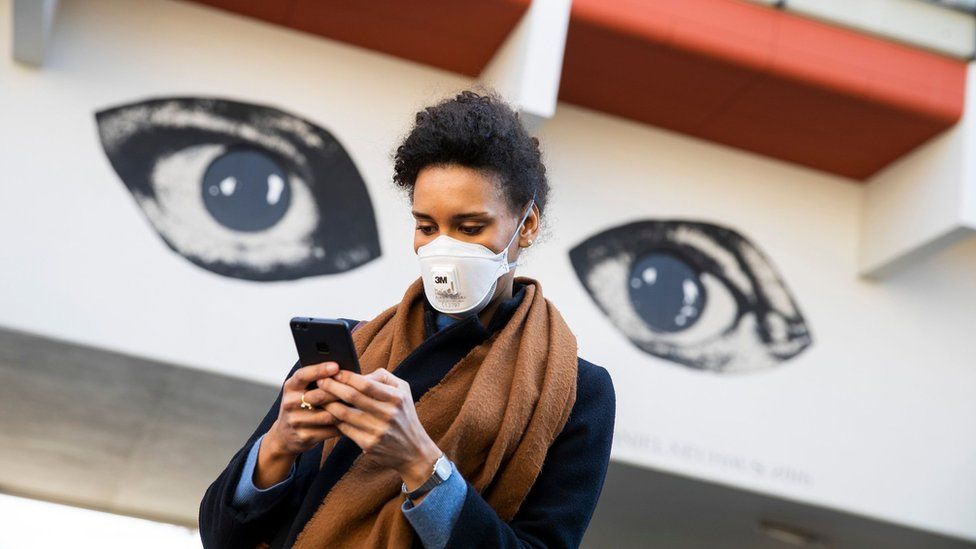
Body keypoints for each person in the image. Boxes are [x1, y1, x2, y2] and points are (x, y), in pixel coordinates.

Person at [198, 89, 616, 548]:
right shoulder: (352, 350)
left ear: (527, 226)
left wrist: (420, 462)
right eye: (426, 226)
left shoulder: (575, 392)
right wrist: (278, 445)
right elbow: (220, 536)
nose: (443, 248)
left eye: (470, 227)